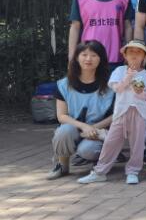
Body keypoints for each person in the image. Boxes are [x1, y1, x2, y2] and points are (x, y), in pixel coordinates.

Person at [78, 40, 146, 185]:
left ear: (144, 56)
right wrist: (127, 78)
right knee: (111, 142)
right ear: (125, 55)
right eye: (131, 52)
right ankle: (100, 172)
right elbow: (117, 89)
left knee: (138, 144)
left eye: (138, 52)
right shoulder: (119, 71)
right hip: (121, 112)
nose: (134, 55)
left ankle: (133, 171)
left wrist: (140, 92)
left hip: (139, 114)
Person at [47, 40, 115, 180]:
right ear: (77, 58)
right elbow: (62, 116)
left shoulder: (111, 84)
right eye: (84, 55)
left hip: (98, 131)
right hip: (74, 127)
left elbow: (116, 115)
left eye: (94, 55)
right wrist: (84, 127)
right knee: (63, 131)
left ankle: (99, 163)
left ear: (101, 59)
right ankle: (62, 165)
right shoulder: (64, 84)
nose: (88, 59)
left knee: (88, 150)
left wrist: (93, 128)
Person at [68, 0, 134, 69]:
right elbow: (75, 28)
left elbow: (128, 26)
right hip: (88, 59)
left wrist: (129, 53)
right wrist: (72, 57)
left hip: (116, 58)